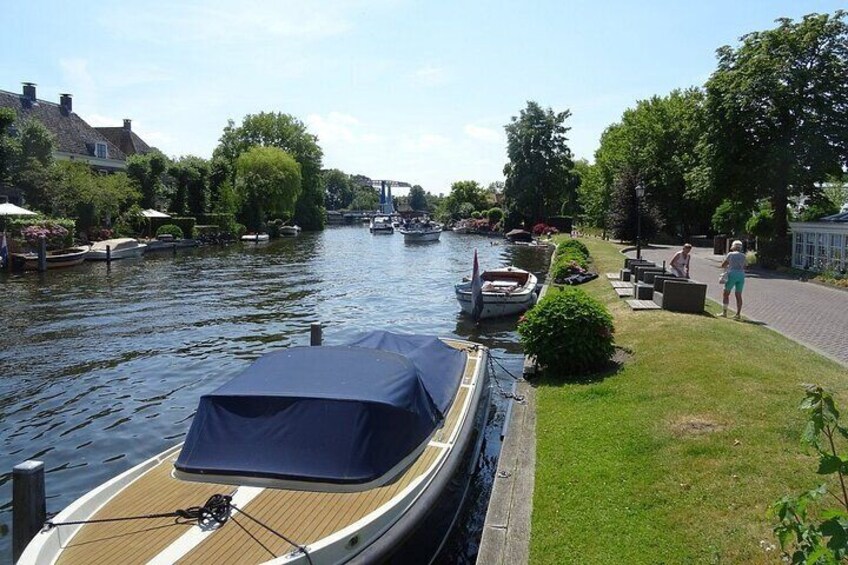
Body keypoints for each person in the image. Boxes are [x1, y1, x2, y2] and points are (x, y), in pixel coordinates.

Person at [721, 240, 747, 319]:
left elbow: (724, 264)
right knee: (738, 294)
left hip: (732, 274)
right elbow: (745, 266)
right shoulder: (743, 256)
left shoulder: (730, 254)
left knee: (726, 293)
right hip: (741, 275)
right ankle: (738, 314)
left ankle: (724, 312)